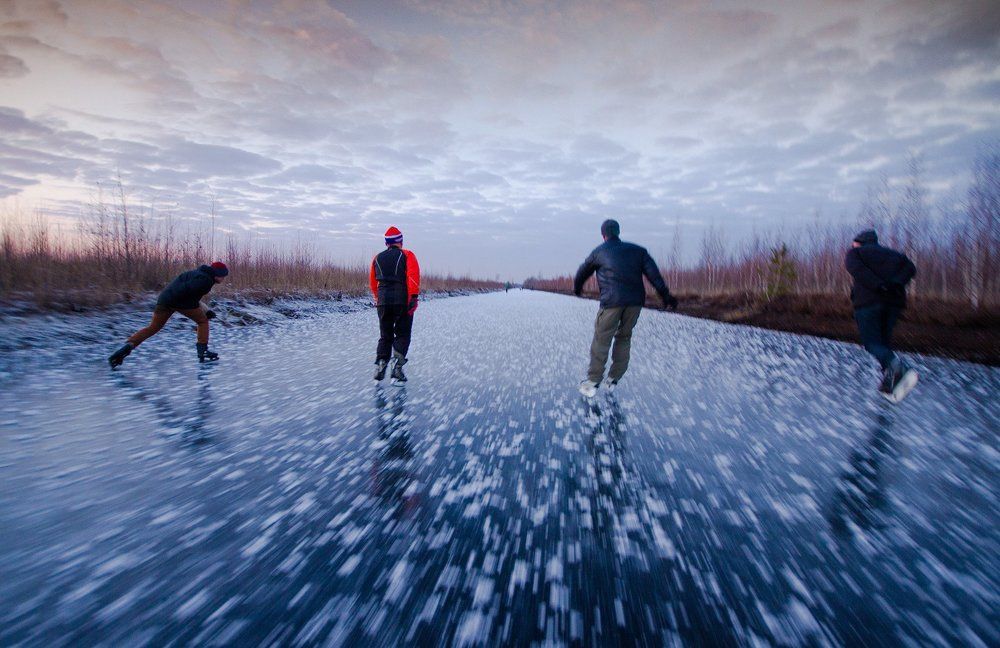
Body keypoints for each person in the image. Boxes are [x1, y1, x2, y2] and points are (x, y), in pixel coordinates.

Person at [573, 219, 678, 397]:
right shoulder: (638, 251)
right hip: (634, 303)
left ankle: (593, 381)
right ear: (618, 232)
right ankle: (613, 378)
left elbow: (582, 272)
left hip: (611, 303)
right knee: (624, 337)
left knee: (602, 339)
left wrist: (577, 289)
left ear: (603, 234)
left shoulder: (599, 252)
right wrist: (666, 295)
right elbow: (654, 275)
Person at [108, 262, 229, 368]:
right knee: (203, 321)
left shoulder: (196, 273)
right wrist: (204, 313)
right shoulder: (206, 280)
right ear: (217, 274)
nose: (223, 278)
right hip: (179, 302)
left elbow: (192, 294)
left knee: (153, 328)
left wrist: (206, 310)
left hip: (164, 300)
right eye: (223, 275)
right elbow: (189, 294)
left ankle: (129, 345)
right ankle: (203, 352)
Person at [845, 229, 918, 402]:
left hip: (868, 303)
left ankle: (898, 369)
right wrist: (895, 283)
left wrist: (879, 285)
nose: (852, 246)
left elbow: (856, 270)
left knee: (871, 343)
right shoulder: (894, 255)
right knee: (883, 344)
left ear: (859, 242)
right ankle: (890, 382)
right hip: (893, 304)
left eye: (854, 243)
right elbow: (911, 268)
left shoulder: (856, 253)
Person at [370, 226, 420, 384]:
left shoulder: (377, 258)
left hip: (383, 302)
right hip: (402, 301)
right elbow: (412, 277)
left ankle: (380, 365)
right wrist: (413, 297)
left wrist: (378, 298)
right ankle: (397, 368)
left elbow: (373, 282)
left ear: (387, 243)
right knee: (403, 334)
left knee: (385, 336)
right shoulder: (407, 255)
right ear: (400, 241)